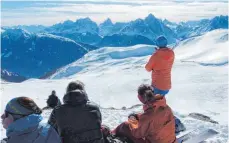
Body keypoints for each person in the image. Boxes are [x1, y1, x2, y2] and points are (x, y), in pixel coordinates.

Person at [112, 84, 177, 143]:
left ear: (140, 98)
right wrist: (138, 116)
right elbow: (154, 120)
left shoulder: (148, 117)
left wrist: (132, 119)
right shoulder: (166, 107)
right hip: (172, 141)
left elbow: (137, 133)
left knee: (125, 126)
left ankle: (110, 135)